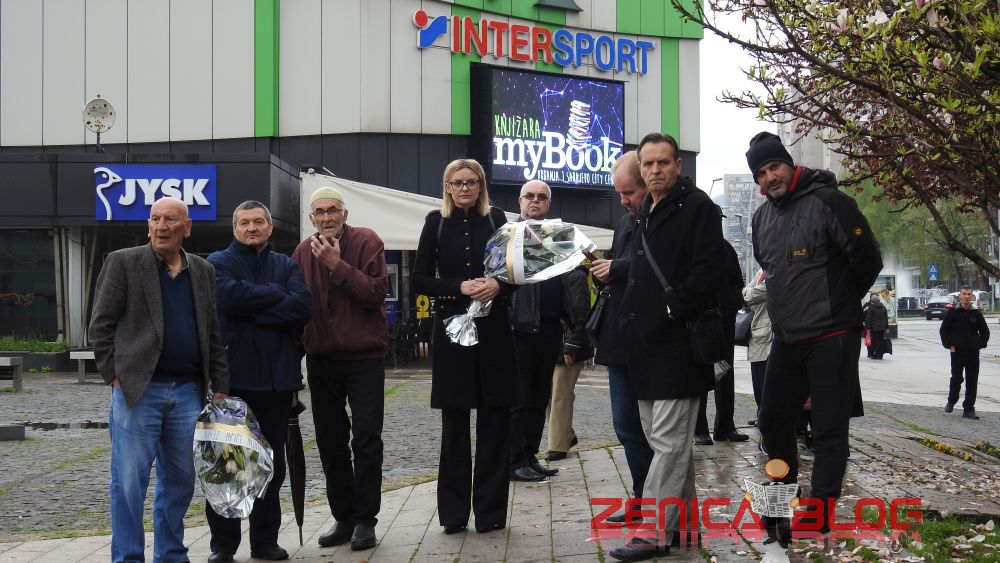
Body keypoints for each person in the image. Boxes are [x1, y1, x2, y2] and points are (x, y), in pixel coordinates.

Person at [748, 131, 882, 538]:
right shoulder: (761, 218)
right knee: (772, 421)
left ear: (789, 165)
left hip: (832, 334)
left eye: (774, 167)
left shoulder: (829, 201)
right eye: (761, 173)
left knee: (828, 428)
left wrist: (840, 303)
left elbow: (868, 258)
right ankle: (781, 497)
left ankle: (819, 511)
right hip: (788, 337)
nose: (769, 177)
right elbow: (770, 270)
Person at [89, 196, 229, 563]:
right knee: (129, 483)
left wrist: (220, 385)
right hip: (137, 392)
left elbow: (211, 331)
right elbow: (100, 326)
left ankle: (170, 554)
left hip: (188, 392)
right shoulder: (123, 262)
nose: (161, 226)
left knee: (180, 481)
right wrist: (114, 376)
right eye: (155, 218)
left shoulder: (202, 270)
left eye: (170, 219)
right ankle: (128, 558)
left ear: (187, 227)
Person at [610, 133, 723, 561]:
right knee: (666, 444)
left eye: (663, 162)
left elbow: (709, 268)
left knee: (669, 443)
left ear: (678, 165)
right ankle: (685, 526)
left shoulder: (697, 207)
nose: (655, 170)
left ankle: (654, 532)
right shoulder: (644, 211)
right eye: (648, 164)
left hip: (679, 345)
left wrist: (676, 307)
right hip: (644, 345)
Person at [412, 158, 516, 534]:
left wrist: (498, 285)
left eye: (471, 182)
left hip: (494, 332)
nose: (464, 188)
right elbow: (420, 279)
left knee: (495, 422)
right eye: (457, 183)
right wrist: (458, 286)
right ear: (447, 187)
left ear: (481, 185)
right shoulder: (435, 223)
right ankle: (453, 515)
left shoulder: (498, 219)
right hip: (452, 333)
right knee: (454, 424)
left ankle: (490, 514)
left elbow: (516, 272)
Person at [204, 201, 313, 562]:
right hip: (233, 381)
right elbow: (228, 297)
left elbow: (302, 306)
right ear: (235, 228)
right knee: (229, 466)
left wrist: (254, 313)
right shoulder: (218, 262)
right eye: (245, 222)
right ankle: (223, 546)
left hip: (277, 381)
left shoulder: (285, 264)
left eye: (258, 222)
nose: (252, 228)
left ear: (270, 227)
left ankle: (264, 542)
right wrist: (276, 295)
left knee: (272, 467)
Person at [293, 187, 388, 552]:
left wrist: (337, 265)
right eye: (319, 212)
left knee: (366, 439)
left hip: (364, 357)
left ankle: (365, 519)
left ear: (344, 214)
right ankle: (344, 517)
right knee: (330, 441)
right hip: (322, 358)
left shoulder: (367, 241)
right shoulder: (302, 252)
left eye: (332, 210)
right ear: (311, 218)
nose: (326, 217)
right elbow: (297, 305)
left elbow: (375, 293)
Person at [508, 179, 587, 481]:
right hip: (519, 329)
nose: (535, 201)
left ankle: (530, 455)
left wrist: (574, 324)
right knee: (519, 399)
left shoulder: (559, 236)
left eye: (541, 197)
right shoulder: (509, 235)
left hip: (551, 328)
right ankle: (514, 460)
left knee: (539, 398)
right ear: (520, 201)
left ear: (549, 204)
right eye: (529, 196)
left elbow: (575, 279)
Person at [590, 151, 654, 524]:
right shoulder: (625, 221)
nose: (624, 200)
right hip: (619, 336)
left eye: (628, 192)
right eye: (619, 193)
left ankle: (653, 503)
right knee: (626, 425)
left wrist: (616, 267)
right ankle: (642, 498)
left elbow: (659, 266)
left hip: (648, 338)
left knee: (652, 429)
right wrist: (605, 270)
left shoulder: (659, 218)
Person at [693, 239, 749, 445]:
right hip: (702, 319)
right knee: (700, 372)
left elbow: (737, 280)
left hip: (724, 318)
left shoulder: (724, 247)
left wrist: (732, 302)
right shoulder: (694, 245)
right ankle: (699, 429)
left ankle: (725, 426)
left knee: (725, 371)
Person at [543, 265, 592, 461]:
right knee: (547, 396)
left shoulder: (575, 275)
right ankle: (566, 435)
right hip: (550, 343)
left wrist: (571, 344)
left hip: (567, 344)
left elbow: (580, 313)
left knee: (560, 396)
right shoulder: (549, 272)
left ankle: (558, 445)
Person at [940, 285, 990, 419]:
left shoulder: (976, 313)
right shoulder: (952, 312)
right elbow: (943, 330)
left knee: (972, 381)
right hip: (957, 352)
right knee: (957, 378)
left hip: (973, 352)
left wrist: (980, 344)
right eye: (964, 294)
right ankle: (951, 401)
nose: (966, 297)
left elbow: (985, 331)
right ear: (960, 296)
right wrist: (949, 345)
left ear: (972, 296)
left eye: (969, 294)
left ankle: (968, 409)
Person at [743, 269, 771, 427]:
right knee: (757, 377)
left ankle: (766, 415)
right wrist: (749, 292)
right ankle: (761, 412)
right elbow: (746, 291)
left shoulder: (774, 270)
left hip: (768, 332)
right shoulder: (761, 271)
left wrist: (748, 293)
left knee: (766, 378)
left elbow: (753, 294)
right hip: (757, 331)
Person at [864, 295, 889, 360]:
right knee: (881, 341)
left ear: (872, 301)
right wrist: (887, 327)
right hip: (882, 327)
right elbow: (886, 318)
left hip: (874, 328)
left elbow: (868, 318)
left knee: (875, 341)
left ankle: (876, 355)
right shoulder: (883, 307)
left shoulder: (871, 307)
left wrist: (867, 327)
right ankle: (880, 355)